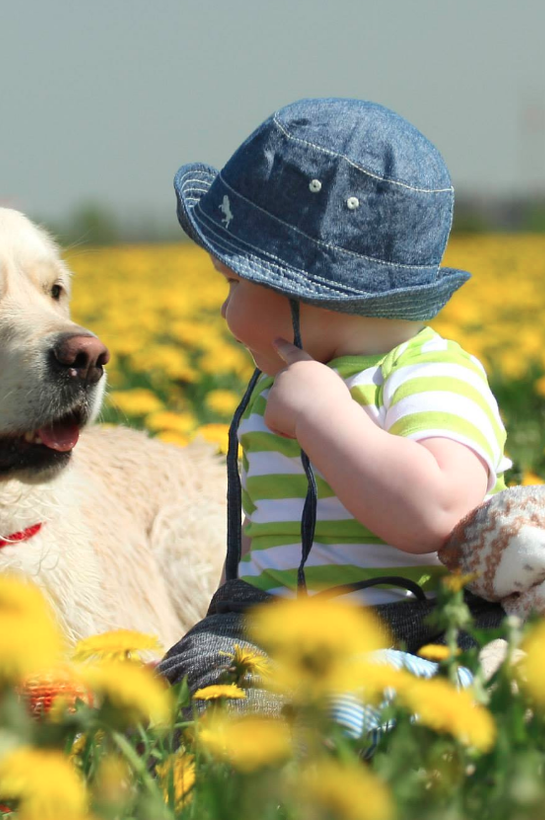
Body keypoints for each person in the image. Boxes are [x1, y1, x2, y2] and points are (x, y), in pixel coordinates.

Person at [158, 98, 510, 717]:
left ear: (306, 288)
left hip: (417, 617)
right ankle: (334, 721)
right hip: (271, 632)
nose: (224, 311)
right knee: (188, 678)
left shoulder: (430, 372)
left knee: (497, 659)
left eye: (233, 284)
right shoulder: (282, 384)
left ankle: (365, 716)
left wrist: (327, 415)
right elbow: (263, 546)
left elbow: (441, 511)